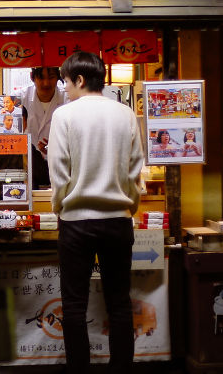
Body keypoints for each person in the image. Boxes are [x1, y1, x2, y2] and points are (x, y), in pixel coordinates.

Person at [47, 52, 144, 373]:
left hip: (76, 222)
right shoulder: (125, 113)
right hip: (118, 220)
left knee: (74, 305)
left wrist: (60, 205)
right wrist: (129, 205)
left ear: (79, 79)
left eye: (66, 82)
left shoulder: (65, 115)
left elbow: (59, 172)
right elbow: (135, 169)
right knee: (119, 302)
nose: (64, 89)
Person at [21, 66, 67, 189]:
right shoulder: (21, 98)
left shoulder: (67, 98)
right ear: (32, 77)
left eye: (51, 77)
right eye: (41, 78)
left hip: (61, 161)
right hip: (30, 162)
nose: (46, 83)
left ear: (58, 77)